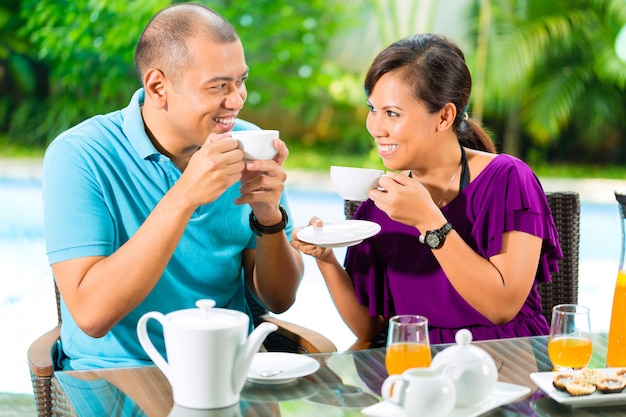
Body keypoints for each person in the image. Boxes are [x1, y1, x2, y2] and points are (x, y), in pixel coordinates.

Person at [43, 3, 304, 370]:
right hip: (118, 375)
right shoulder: (80, 156)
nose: (237, 101)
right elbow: (92, 315)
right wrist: (185, 195)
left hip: (227, 368)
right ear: (158, 86)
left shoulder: (246, 145)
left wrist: (269, 217)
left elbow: (279, 299)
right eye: (218, 86)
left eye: (241, 81)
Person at [292, 33, 562, 346]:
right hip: (416, 364)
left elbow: (501, 307)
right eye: (373, 109)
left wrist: (430, 221)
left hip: (505, 356)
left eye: (392, 113)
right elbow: (369, 328)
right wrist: (325, 259)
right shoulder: (381, 203)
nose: (376, 127)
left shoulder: (508, 180)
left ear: (445, 116)